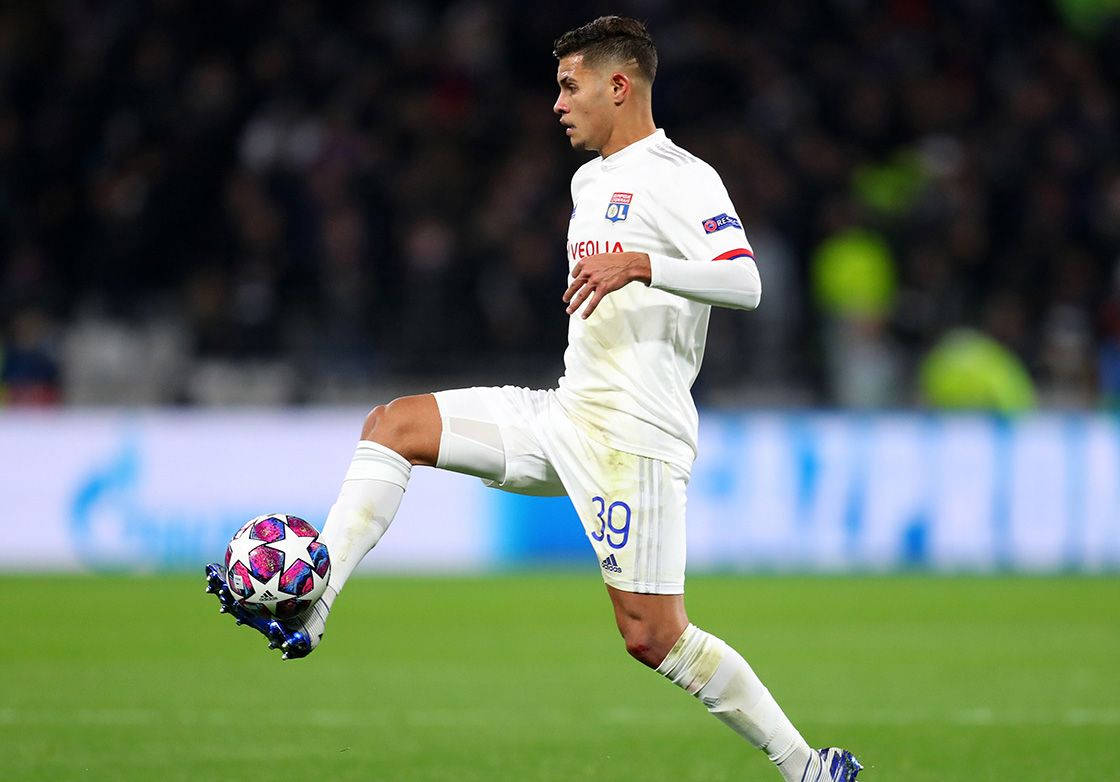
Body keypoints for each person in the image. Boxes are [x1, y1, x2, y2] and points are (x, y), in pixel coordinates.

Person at [206, 16, 861, 781]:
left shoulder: (684, 177)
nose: (557, 103)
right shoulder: (589, 182)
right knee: (394, 426)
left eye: (570, 86)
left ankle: (806, 767)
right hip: (565, 413)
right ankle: (315, 606)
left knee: (652, 636)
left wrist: (643, 264)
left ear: (620, 86)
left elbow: (746, 282)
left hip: (633, 437)